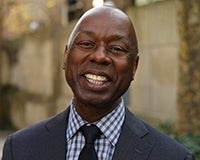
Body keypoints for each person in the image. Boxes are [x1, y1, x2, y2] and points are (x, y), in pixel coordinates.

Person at [2, 6, 195, 160]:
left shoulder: (173, 156)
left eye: (116, 48)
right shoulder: (19, 149)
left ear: (134, 67)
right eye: (86, 44)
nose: (100, 56)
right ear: (65, 56)